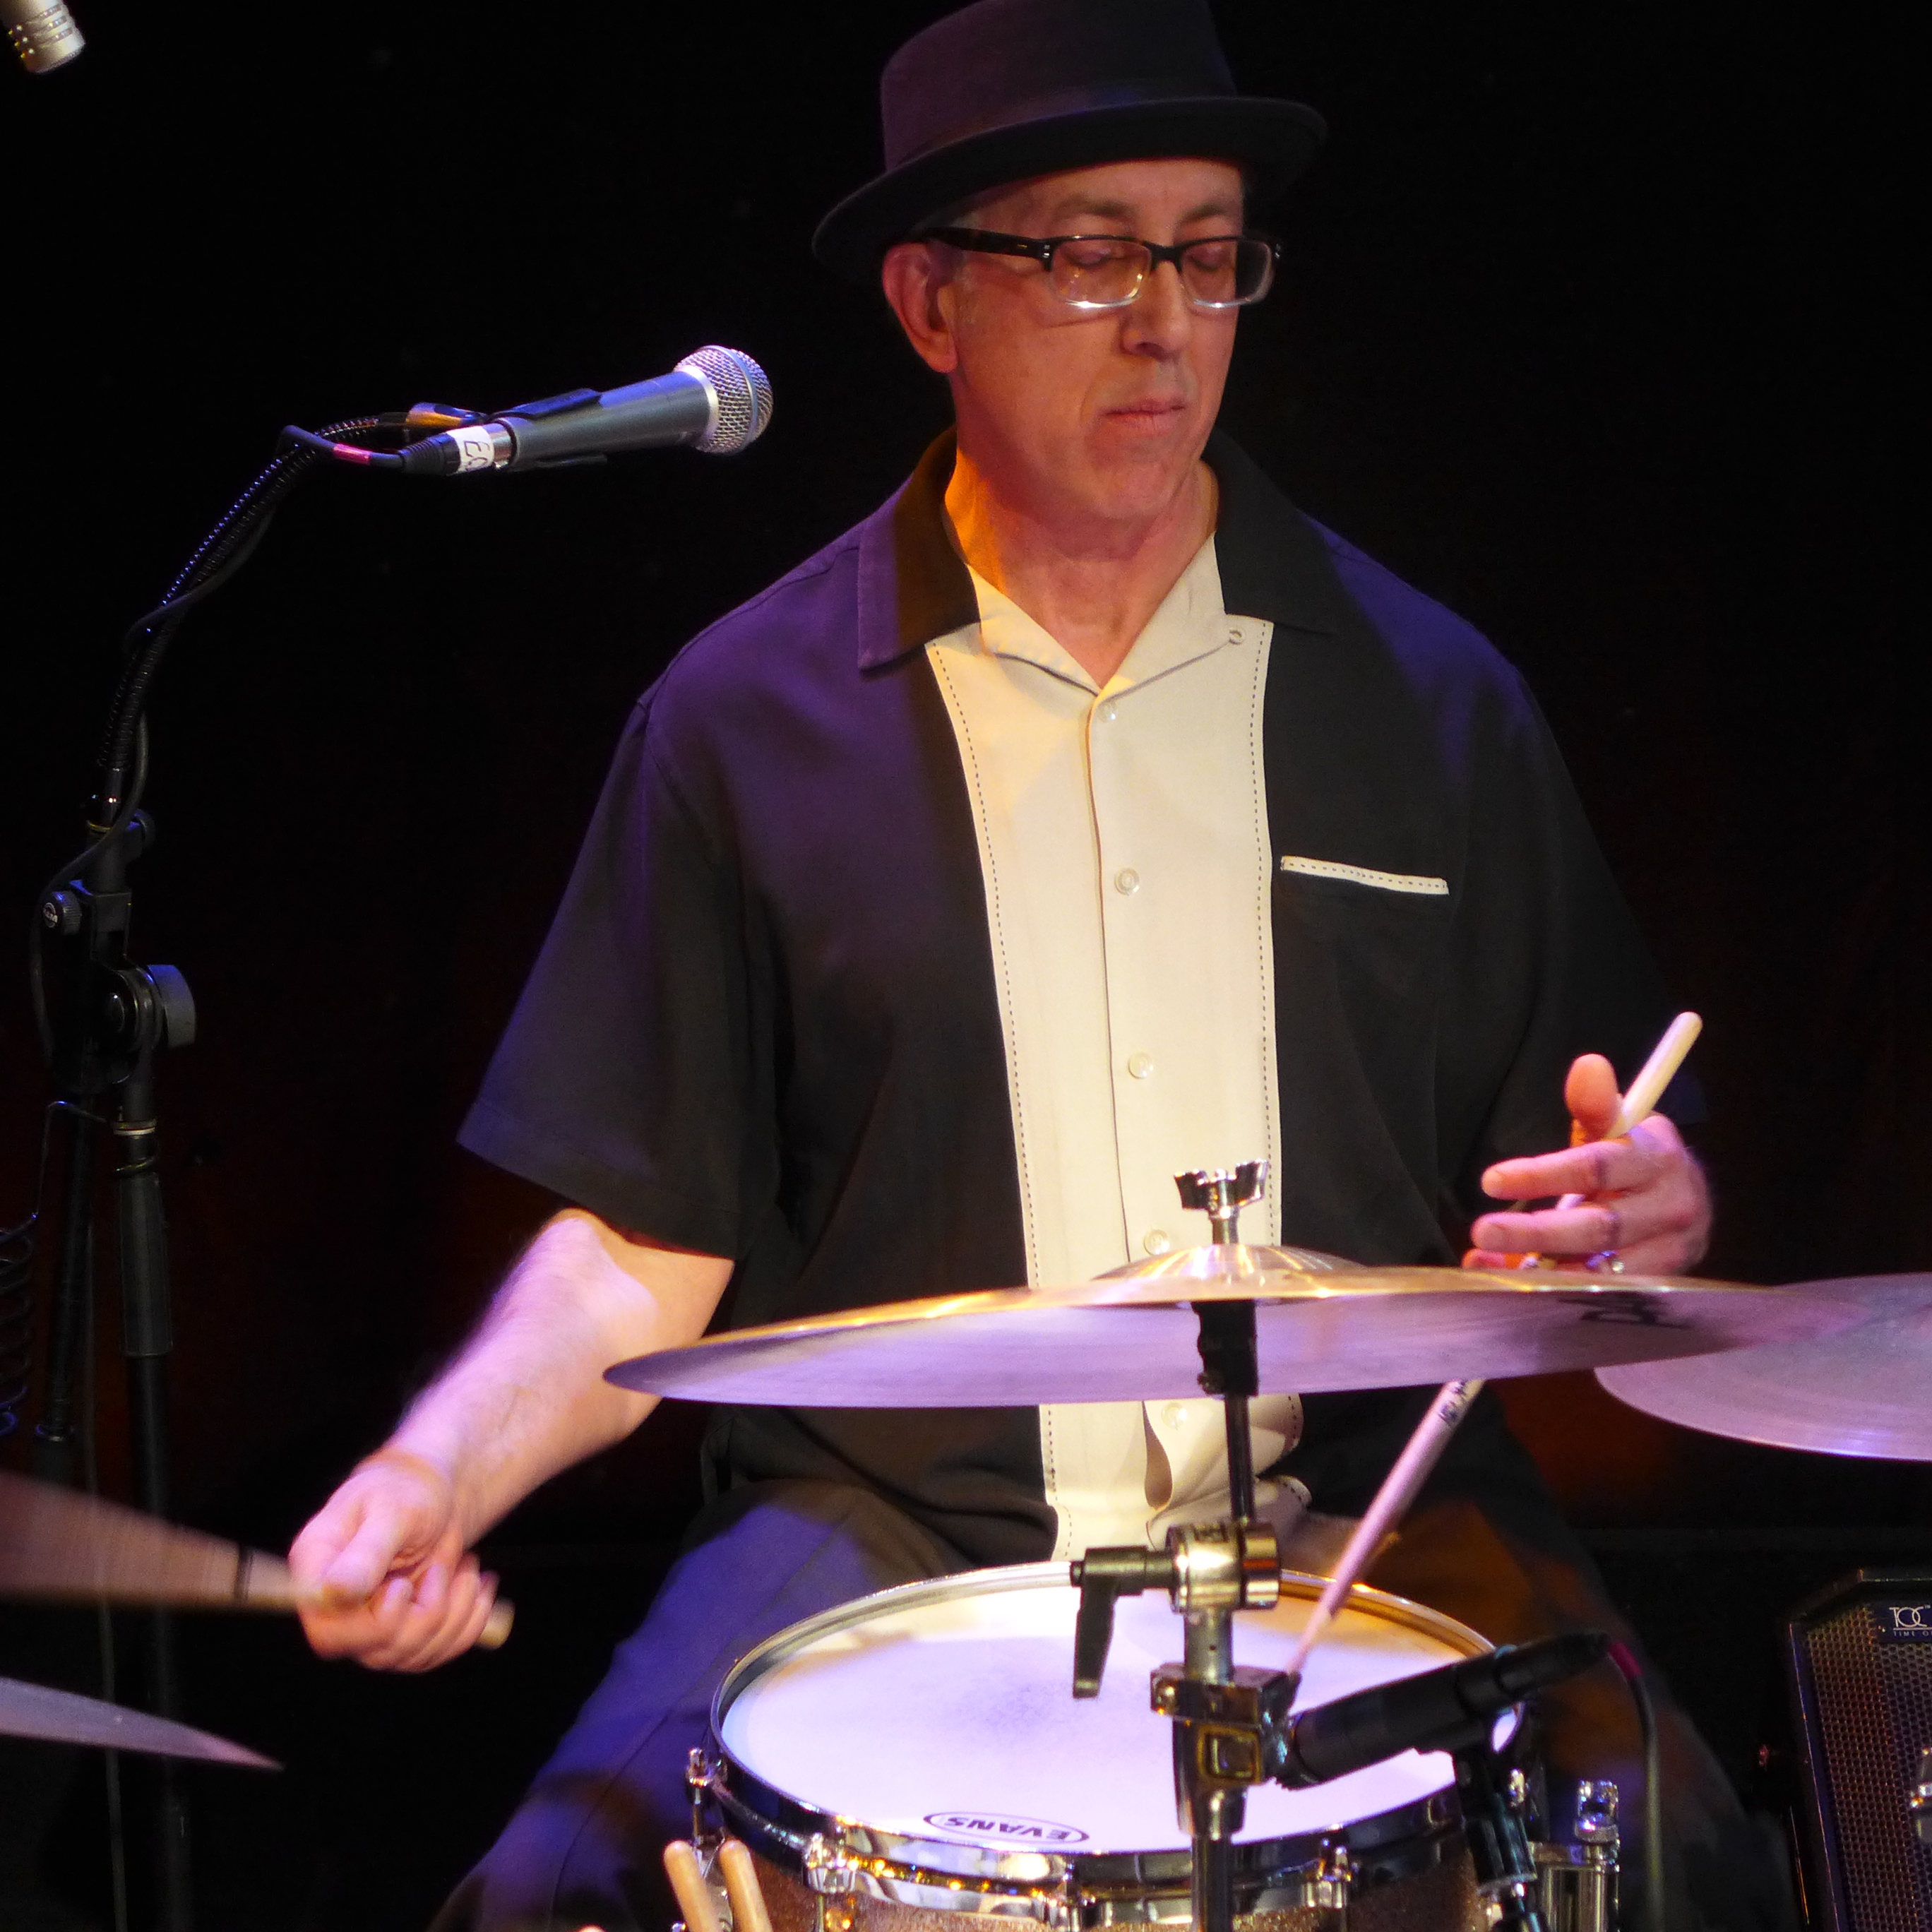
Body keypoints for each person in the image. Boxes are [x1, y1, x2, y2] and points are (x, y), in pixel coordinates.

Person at [289, 4, 1788, 1927]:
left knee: (1677, 1857)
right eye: (1091, 254)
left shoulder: (1432, 702)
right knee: (557, 1893)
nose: (1165, 322)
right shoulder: (744, 724)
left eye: (1208, 254)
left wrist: (1652, 1208)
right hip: (887, 1518)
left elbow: (1605, 1167)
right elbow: (644, 1235)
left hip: (1358, 1503)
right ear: (931, 304)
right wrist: (433, 1475)